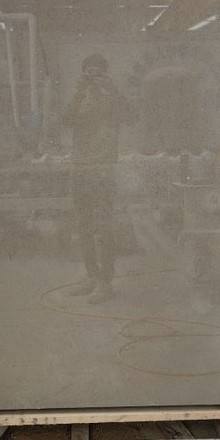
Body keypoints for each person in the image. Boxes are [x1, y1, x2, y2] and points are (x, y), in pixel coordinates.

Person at [62, 54, 135, 303]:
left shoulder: (111, 99)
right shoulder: (79, 97)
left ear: (106, 74)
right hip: (80, 168)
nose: (93, 77)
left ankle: (105, 282)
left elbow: (131, 117)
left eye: (98, 72)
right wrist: (79, 92)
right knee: (83, 226)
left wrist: (112, 89)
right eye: (89, 72)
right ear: (83, 73)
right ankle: (92, 276)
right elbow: (65, 121)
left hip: (103, 167)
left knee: (104, 227)